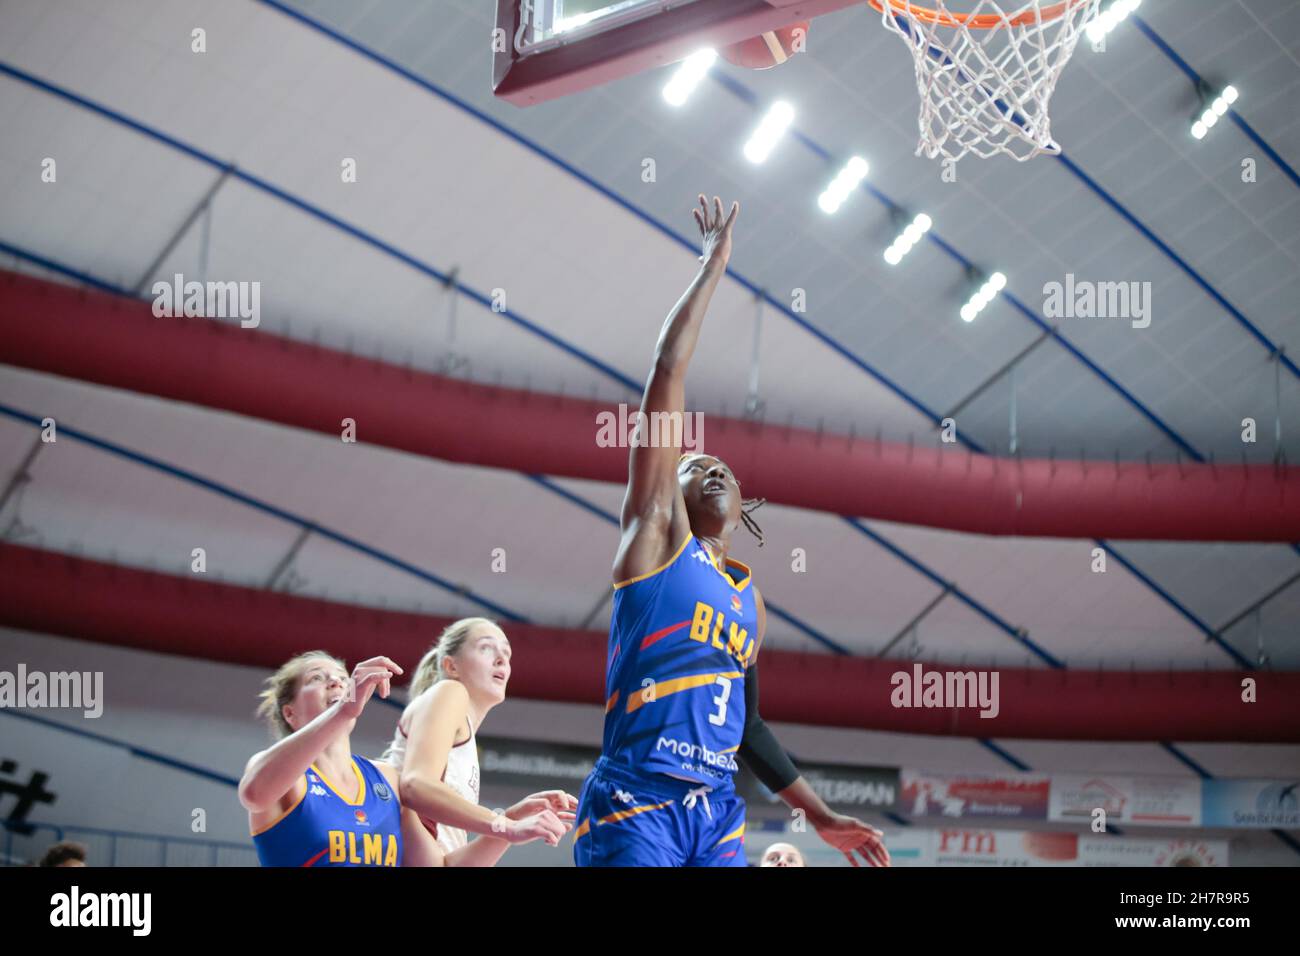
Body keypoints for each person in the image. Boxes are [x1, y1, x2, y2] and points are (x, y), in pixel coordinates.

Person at [572, 195, 891, 868]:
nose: (710, 466)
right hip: (638, 797)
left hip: (716, 809)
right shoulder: (656, 539)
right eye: (692, 465)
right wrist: (711, 267)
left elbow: (747, 727)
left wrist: (821, 814)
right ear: (671, 494)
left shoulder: (752, 599)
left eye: (721, 467)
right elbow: (667, 371)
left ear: (744, 504)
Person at [387, 617, 575, 865]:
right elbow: (415, 785)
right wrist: (505, 826)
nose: (502, 660)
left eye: (507, 653)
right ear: (451, 666)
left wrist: (512, 819)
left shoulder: (465, 741)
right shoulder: (450, 691)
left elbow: (449, 864)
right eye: (486, 647)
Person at [240, 651, 427, 866]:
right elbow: (254, 795)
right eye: (316, 678)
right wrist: (342, 711)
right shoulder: (285, 776)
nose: (335, 681)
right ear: (290, 713)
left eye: (343, 677)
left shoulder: (387, 777)